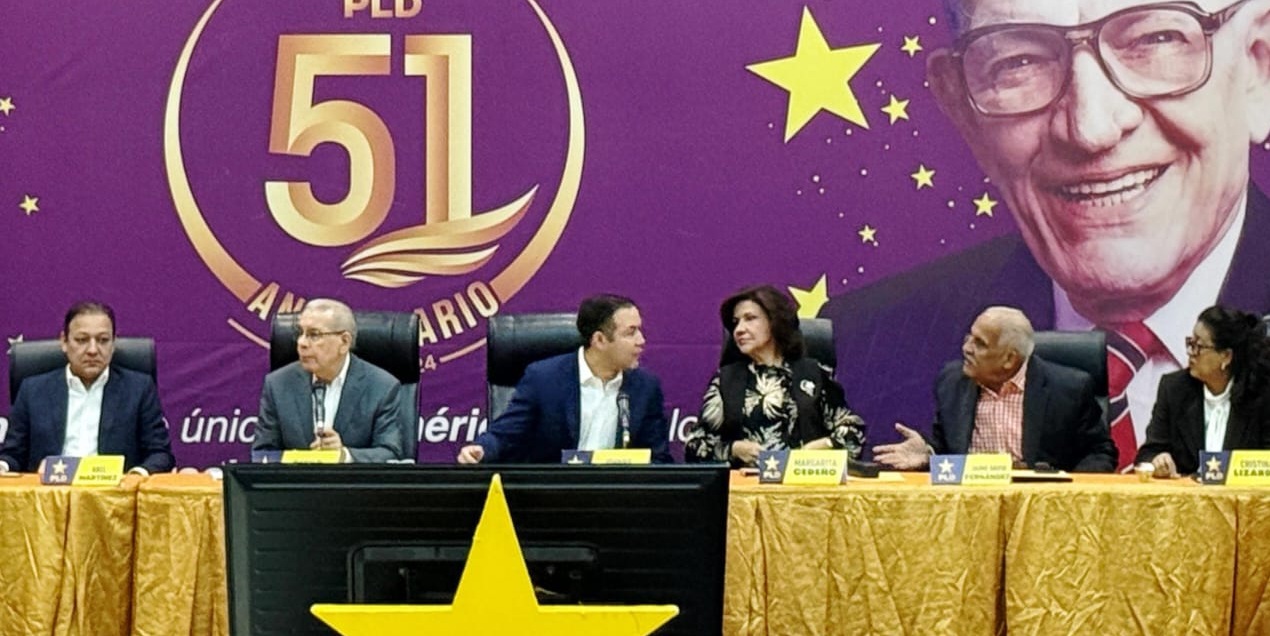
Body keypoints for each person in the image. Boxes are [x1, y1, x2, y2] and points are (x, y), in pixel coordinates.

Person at [826, 0, 1270, 468]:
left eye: (1154, 38)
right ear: (962, 105)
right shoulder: (867, 353)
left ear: (1261, 64)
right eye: (1020, 59)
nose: (1091, 126)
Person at [873, 307, 1117, 472]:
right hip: (970, 504)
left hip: (1040, 507)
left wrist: (1067, 493)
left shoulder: (1069, 389)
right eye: (969, 337)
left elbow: (1099, 453)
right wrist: (928, 453)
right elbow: (945, 445)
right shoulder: (952, 381)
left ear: (1009, 359)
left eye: (980, 344)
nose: (966, 348)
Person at [458, 294, 670, 464]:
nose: (641, 340)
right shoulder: (544, 379)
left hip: (616, 495)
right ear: (599, 340)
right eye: (631, 333)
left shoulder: (645, 387)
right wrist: (481, 449)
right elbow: (505, 434)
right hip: (554, 494)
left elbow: (657, 458)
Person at [0, 301, 174, 477]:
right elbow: (13, 454)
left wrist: (136, 476)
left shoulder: (138, 389)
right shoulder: (32, 390)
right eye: (82, 340)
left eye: (103, 340)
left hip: (114, 498)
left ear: (114, 344)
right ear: (64, 342)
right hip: (50, 497)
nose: (93, 350)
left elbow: (160, 454)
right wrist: (0, 466)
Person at [683, 284, 864, 467]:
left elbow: (854, 433)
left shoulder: (812, 374)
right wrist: (733, 450)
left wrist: (827, 444)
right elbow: (694, 447)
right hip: (745, 482)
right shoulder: (726, 380)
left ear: (774, 322)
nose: (739, 329)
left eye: (750, 319)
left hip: (805, 480)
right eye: (736, 322)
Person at [1137, 306, 1270, 477]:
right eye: (1190, 343)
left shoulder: (1263, 392)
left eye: (1198, 346)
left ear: (1226, 356)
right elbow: (1147, 454)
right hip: (1187, 493)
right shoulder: (1174, 389)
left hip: (1244, 493)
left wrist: (1235, 471)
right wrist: (1158, 460)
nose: (1190, 352)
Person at [253, 298, 405, 463]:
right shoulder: (278, 384)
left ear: (344, 342)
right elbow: (262, 455)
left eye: (314, 335)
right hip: (295, 479)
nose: (301, 343)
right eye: (300, 332)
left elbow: (390, 454)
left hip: (352, 480)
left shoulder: (382, 387)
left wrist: (344, 456)